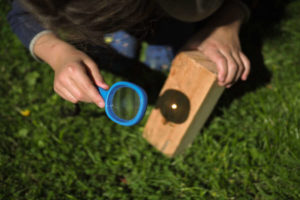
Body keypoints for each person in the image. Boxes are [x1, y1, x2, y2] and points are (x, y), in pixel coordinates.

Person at [7, 0, 251, 108]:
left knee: (171, 36)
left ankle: (159, 30)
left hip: (173, 12)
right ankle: (122, 29)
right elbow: (21, 15)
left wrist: (225, 25)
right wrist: (58, 53)